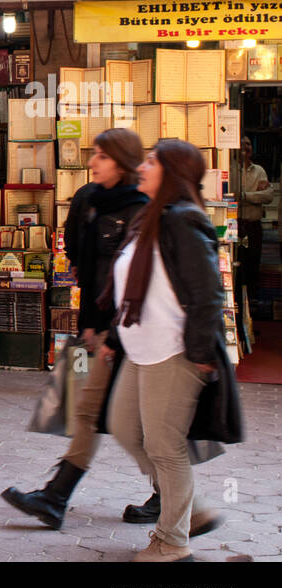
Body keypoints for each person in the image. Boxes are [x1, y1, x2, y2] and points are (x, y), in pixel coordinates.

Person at [2, 128, 151, 529]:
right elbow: (85, 268)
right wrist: (87, 326)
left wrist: (114, 337)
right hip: (98, 330)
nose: (91, 162)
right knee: (95, 412)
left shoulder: (142, 211)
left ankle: (182, 501)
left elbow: (134, 283)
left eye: (100, 156)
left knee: (116, 419)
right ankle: (56, 497)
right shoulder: (90, 201)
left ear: (120, 161)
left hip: (123, 335)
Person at [103, 139, 226, 561]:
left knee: (164, 447)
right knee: (123, 426)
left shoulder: (184, 220)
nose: (143, 167)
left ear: (171, 171)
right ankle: (188, 508)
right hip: (141, 351)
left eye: (152, 161)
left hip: (172, 353)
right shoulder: (150, 217)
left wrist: (197, 354)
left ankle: (171, 543)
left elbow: (209, 294)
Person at [237, 138, 274, 313]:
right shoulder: (231, 169)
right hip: (236, 226)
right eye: (242, 144)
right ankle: (237, 305)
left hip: (254, 227)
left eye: (249, 144)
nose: (246, 147)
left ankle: (251, 309)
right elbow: (231, 195)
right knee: (238, 266)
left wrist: (244, 195)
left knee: (253, 267)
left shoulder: (259, 170)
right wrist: (254, 195)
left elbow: (268, 196)